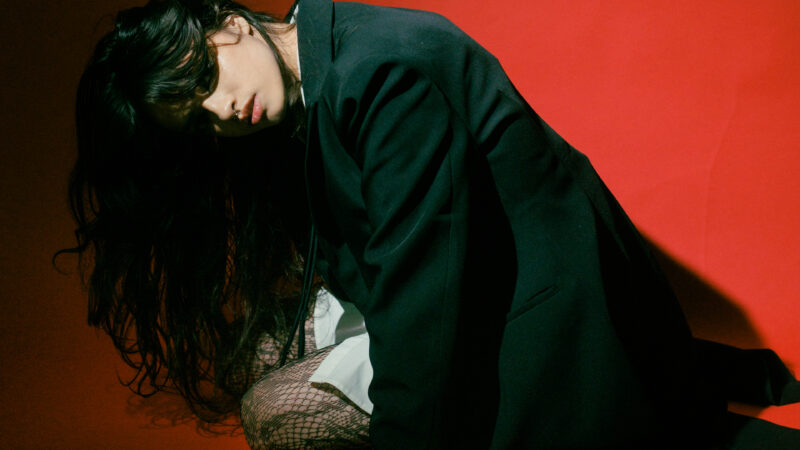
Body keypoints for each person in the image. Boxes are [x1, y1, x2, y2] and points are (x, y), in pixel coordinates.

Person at [62, 0, 800, 448]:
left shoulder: (383, 72)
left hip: (539, 313)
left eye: (203, 79)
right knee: (256, 353)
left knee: (279, 411)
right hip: (466, 275)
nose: (220, 110)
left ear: (230, 24)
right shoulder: (316, 62)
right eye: (196, 118)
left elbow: (429, 305)